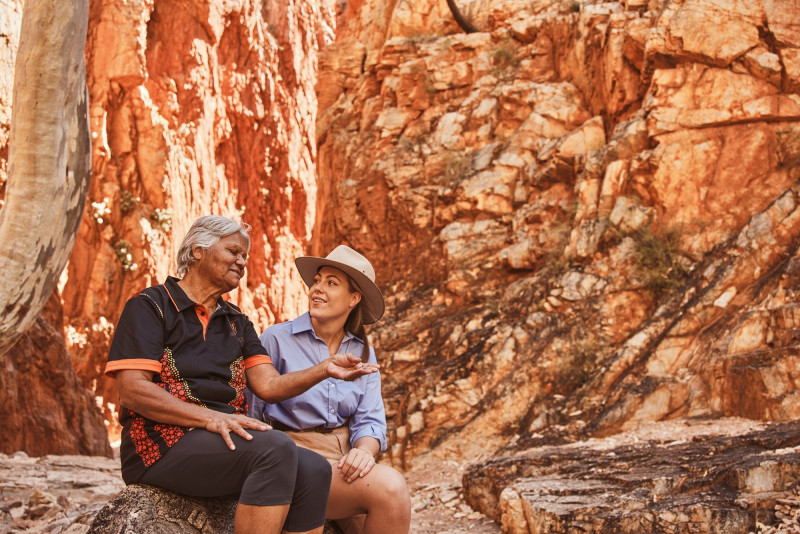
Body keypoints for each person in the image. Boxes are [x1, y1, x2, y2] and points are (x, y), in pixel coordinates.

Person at [105, 216, 379, 534]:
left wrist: (323, 369)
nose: (242, 261)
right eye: (234, 251)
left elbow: (269, 385)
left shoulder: (237, 322)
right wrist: (210, 418)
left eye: (244, 256)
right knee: (276, 450)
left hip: (223, 442)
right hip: (160, 445)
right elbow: (132, 390)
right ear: (196, 250)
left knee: (315, 469)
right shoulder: (150, 307)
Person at [247, 245, 412, 534]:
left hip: (345, 458)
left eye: (331, 283)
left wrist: (364, 451)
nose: (317, 289)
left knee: (385, 511)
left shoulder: (362, 351)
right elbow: (253, 412)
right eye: (317, 280)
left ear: (354, 298)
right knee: (392, 490)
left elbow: (371, 420)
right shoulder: (276, 339)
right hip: (294, 456)